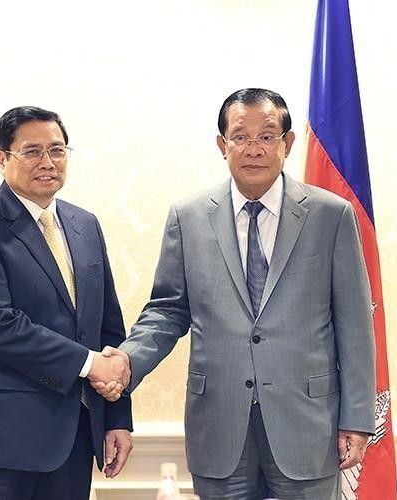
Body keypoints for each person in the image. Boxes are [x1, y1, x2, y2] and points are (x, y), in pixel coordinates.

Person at [96, 89, 376, 499]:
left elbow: (354, 323)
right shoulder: (188, 217)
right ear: (221, 145)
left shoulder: (330, 215)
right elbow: (167, 310)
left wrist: (356, 418)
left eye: (267, 136)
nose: (254, 149)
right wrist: (126, 360)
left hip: (307, 425)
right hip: (219, 424)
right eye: (240, 137)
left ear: (288, 143)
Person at [0, 106, 133, 500]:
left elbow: (107, 327)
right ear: (2, 159)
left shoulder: (85, 225)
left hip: (75, 439)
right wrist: (91, 363)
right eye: (32, 151)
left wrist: (117, 419)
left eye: (57, 150)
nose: (47, 162)